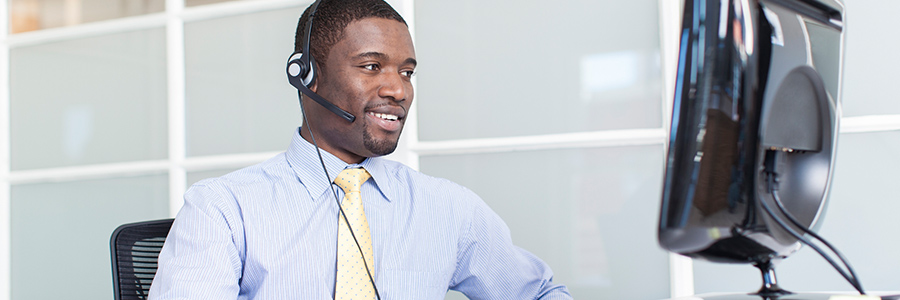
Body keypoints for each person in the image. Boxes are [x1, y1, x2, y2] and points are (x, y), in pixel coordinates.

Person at [149, 0, 572, 299]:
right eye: (371, 67)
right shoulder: (223, 209)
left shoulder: (448, 209)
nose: (397, 89)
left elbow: (538, 293)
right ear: (307, 76)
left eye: (406, 72)